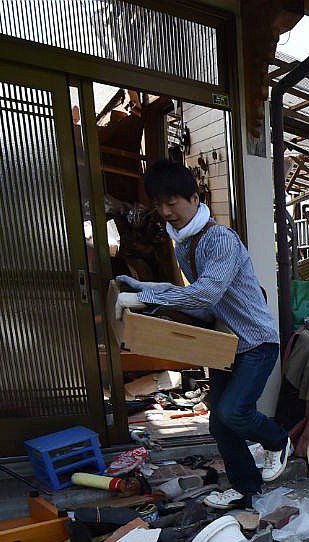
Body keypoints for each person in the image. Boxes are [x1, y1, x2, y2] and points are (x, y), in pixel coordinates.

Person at [115, 159, 292, 510]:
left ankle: (278, 440)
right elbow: (203, 306)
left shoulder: (220, 239)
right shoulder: (184, 245)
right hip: (225, 345)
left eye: (173, 202)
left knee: (233, 413)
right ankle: (247, 490)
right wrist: (148, 293)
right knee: (219, 425)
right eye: (159, 204)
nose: (166, 212)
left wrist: (144, 295)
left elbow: (205, 294)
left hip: (257, 342)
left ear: (194, 199)